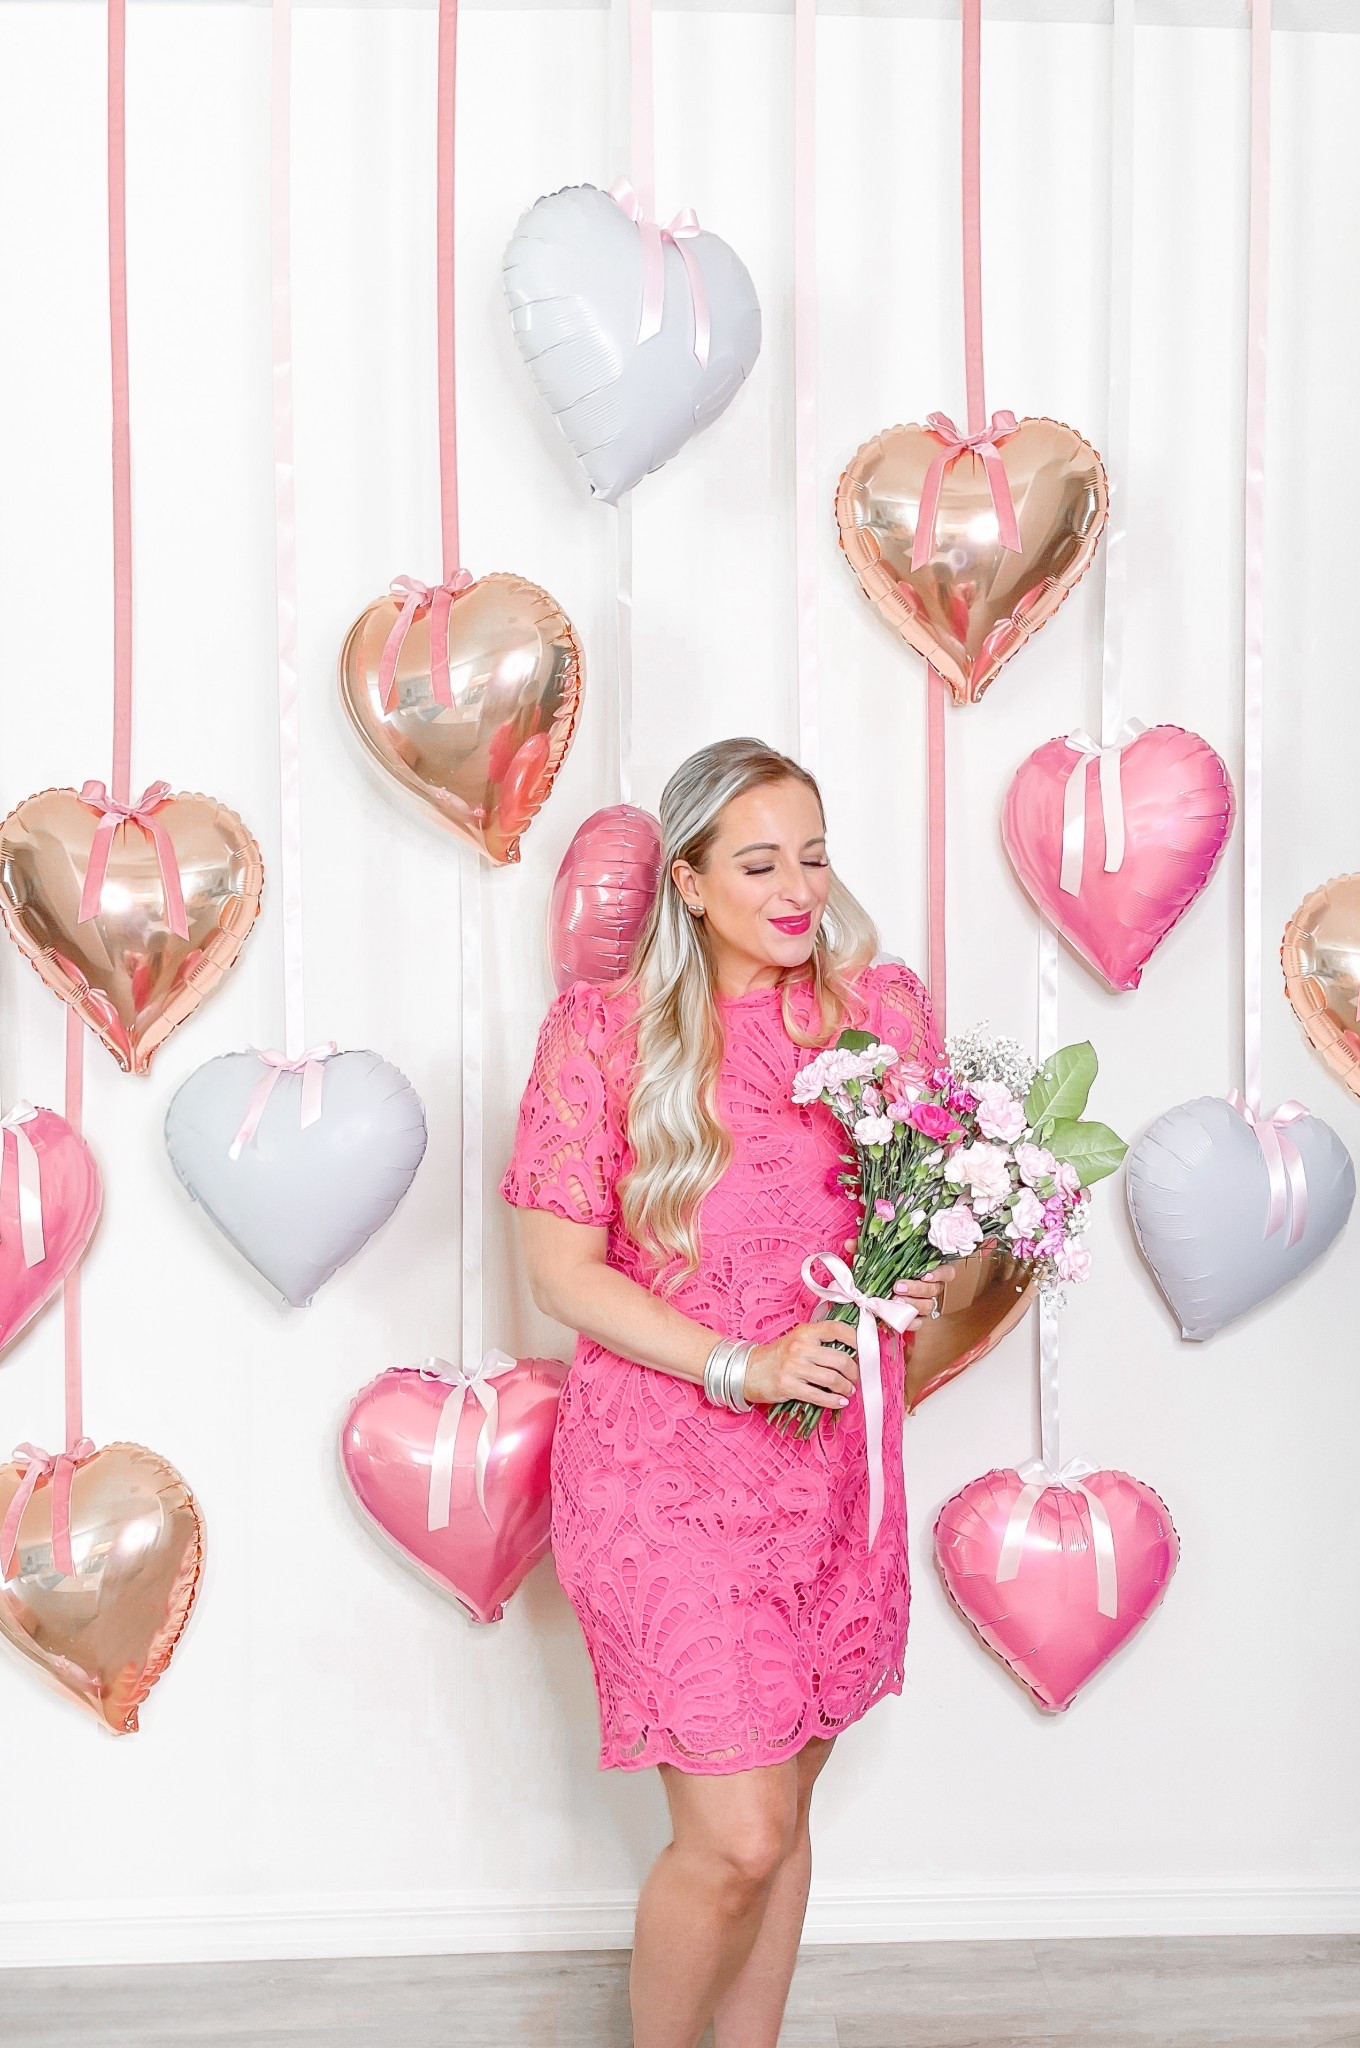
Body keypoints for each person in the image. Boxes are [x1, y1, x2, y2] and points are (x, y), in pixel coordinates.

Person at [501, 737, 953, 2048]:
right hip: (663, 1475)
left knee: (785, 1822)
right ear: (688, 883)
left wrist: (914, 1272)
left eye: (811, 854)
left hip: (831, 1471)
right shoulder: (605, 1032)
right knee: (736, 1835)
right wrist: (736, 1364)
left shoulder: (879, 1013)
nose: (795, 886)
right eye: (757, 862)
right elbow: (560, 1273)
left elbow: (915, 1215)